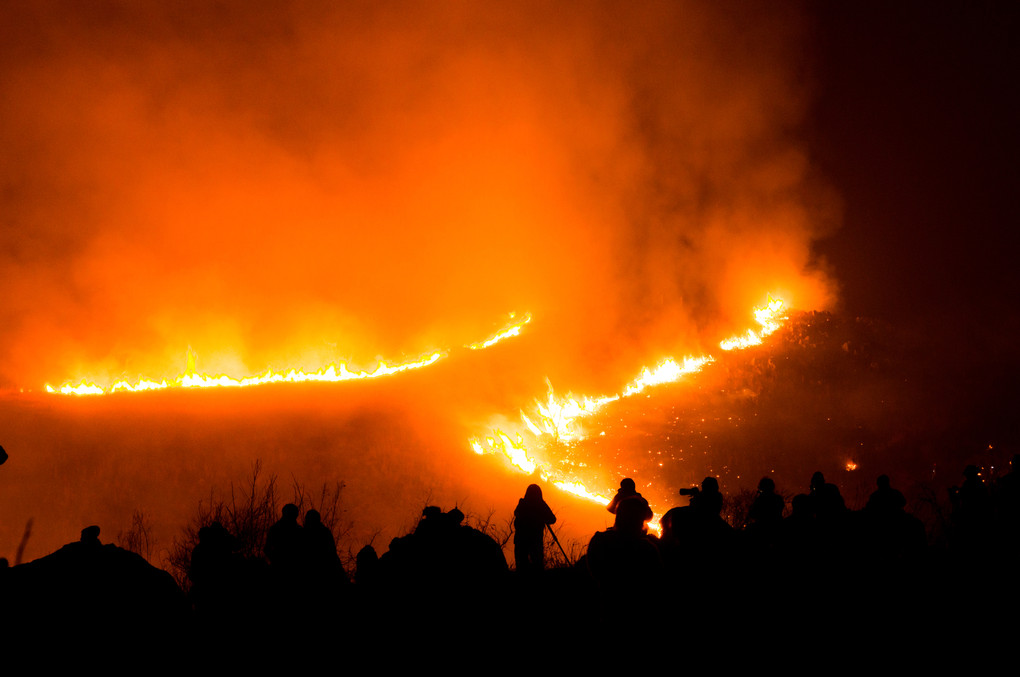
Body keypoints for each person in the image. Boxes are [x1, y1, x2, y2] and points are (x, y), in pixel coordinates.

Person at [513, 484, 556, 573]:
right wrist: (540, 517)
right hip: (533, 541)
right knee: (536, 567)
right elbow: (552, 519)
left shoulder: (524, 503)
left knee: (522, 567)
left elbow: (552, 519)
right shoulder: (540, 504)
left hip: (522, 541)